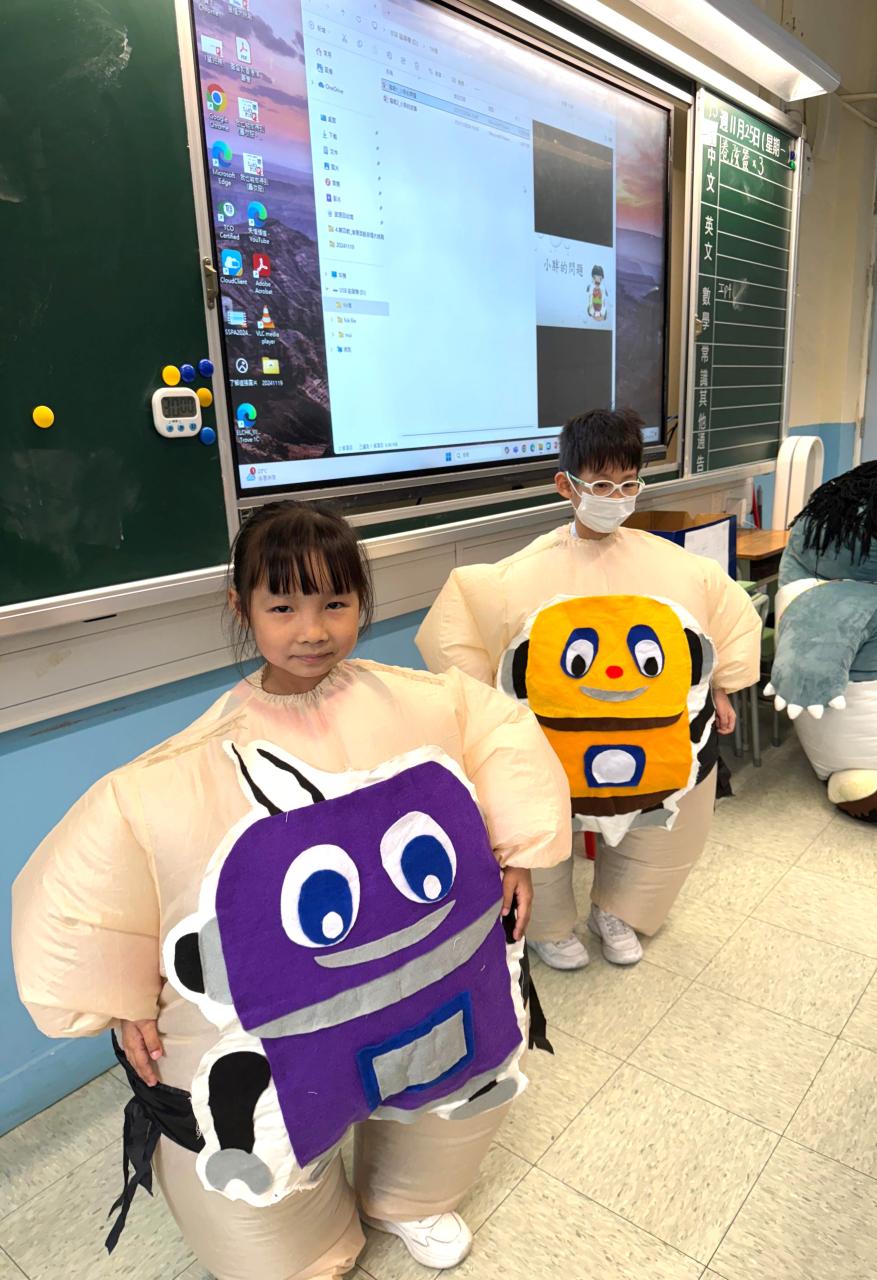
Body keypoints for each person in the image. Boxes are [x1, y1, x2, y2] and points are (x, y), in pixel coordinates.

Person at [12, 501, 570, 1280]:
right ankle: (305, 1247)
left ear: (361, 602)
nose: (313, 630)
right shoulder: (188, 768)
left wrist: (518, 848)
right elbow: (103, 879)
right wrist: (120, 1000)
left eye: (335, 603)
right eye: (283, 607)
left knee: (454, 1073)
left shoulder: (426, 704)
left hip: (433, 986)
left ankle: (412, 1196)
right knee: (265, 1140)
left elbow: (500, 740)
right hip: (303, 1019)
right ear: (241, 607)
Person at [416, 407, 760, 970]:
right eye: (601, 485)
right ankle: (550, 927)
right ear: (566, 485)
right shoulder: (522, 572)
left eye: (628, 484)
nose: (615, 497)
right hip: (556, 742)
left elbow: (718, 617)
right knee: (542, 817)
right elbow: (461, 626)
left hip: (650, 737)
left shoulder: (672, 566)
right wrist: (486, 716)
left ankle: (620, 911)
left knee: (657, 820)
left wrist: (722, 686)